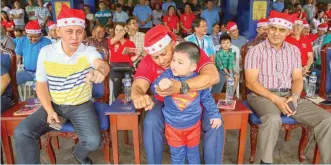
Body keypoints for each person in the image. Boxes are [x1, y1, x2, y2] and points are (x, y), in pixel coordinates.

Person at [14, 5, 110, 164]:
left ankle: (78, 154)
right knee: (23, 132)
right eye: (69, 31)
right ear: (58, 31)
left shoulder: (87, 51)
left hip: (81, 105)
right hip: (54, 104)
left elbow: (102, 64)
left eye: (79, 32)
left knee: (93, 141)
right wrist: (49, 110)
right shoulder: (47, 52)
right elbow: (41, 84)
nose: (75, 37)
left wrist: (100, 70)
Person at [244, 10, 331, 164]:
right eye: (273, 28)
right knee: (272, 118)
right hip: (261, 95)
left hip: (289, 94)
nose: (276, 33)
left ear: (288, 32)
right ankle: (266, 161)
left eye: (282, 30)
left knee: (326, 119)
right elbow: (251, 83)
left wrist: (295, 96)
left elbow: (297, 78)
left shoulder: (294, 51)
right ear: (268, 28)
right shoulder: (255, 51)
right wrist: (277, 100)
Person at [131, 24, 224, 164]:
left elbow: (213, 76)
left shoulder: (189, 52)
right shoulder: (148, 61)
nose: (161, 60)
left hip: (195, 101)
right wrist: (138, 96)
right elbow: (138, 85)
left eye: (164, 54)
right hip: (164, 104)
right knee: (150, 122)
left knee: (216, 124)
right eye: (156, 57)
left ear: (173, 44)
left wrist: (181, 87)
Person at [151, 41, 222, 164]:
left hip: (193, 127)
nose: (174, 65)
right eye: (173, 60)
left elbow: (207, 99)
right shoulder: (168, 75)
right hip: (173, 128)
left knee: (193, 155)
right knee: (177, 157)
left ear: (193, 67)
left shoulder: (198, 80)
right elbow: (154, 86)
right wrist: (160, 84)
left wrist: (215, 114)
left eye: (180, 62)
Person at [108, 22, 139, 98]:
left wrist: (138, 54)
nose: (118, 32)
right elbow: (115, 38)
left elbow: (132, 59)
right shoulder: (111, 41)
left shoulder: (130, 43)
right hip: (115, 69)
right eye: (116, 30)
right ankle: (116, 107)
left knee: (128, 91)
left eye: (120, 30)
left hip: (127, 68)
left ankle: (128, 107)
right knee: (116, 91)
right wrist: (125, 29)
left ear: (124, 32)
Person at [15, 21, 52, 86]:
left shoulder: (47, 42)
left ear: (41, 34)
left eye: (36, 36)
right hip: (27, 72)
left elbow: (50, 60)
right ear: (26, 34)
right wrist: (12, 71)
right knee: (12, 81)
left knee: (39, 89)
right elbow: (17, 57)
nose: (33, 39)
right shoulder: (22, 41)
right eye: (30, 37)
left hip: (42, 73)